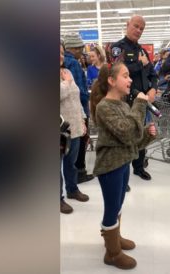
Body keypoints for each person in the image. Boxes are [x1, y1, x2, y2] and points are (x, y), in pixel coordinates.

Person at [90, 62, 157, 270]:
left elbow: (130, 139)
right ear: (111, 81)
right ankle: (112, 253)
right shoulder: (104, 107)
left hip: (123, 162)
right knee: (111, 208)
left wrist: (146, 134)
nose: (130, 80)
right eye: (125, 76)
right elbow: (127, 131)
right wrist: (140, 104)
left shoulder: (122, 105)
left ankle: (115, 238)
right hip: (110, 167)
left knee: (118, 205)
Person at [110, 14, 158, 184]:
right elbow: (117, 71)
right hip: (126, 102)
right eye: (136, 26)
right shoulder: (117, 48)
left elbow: (153, 74)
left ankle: (139, 168)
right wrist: (140, 64)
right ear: (127, 24)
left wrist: (153, 89)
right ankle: (122, 175)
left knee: (142, 134)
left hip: (144, 101)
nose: (138, 30)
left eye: (141, 28)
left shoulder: (143, 50)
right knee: (125, 137)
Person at [60, 43, 90, 214]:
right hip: (59, 129)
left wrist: (83, 120)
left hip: (75, 126)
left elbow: (76, 98)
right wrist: (66, 83)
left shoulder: (67, 72)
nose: (61, 56)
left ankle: (72, 190)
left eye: (62, 53)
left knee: (71, 163)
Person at [63, 33, 95, 184]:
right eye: (80, 48)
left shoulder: (65, 65)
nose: (82, 51)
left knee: (70, 147)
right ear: (74, 48)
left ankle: (72, 180)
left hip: (66, 113)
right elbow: (80, 92)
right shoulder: (73, 64)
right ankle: (79, 174)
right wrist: (85, 109)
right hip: (77, 111)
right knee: (80, 143)